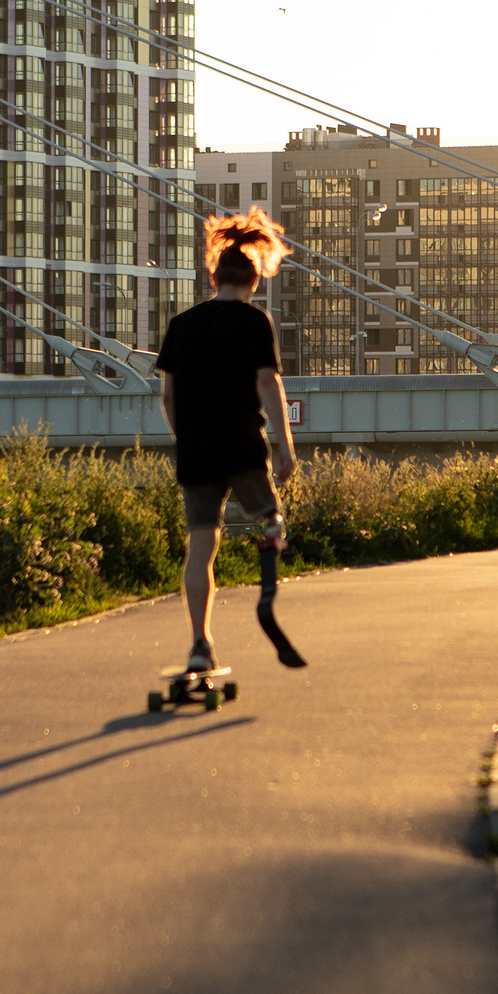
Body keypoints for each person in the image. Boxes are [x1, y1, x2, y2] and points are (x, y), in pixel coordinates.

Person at [155, 207, 299, 673]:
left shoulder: (181, 324)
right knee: (270, 518)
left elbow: (169, 396)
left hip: (196, 450)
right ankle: (270, 551)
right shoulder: (255, 322)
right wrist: (284, 446)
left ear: (214, 276)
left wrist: (188, 438)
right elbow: (267, 384)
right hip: (242, 446)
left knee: (200, 547)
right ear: (254, 281)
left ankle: (200, 642)